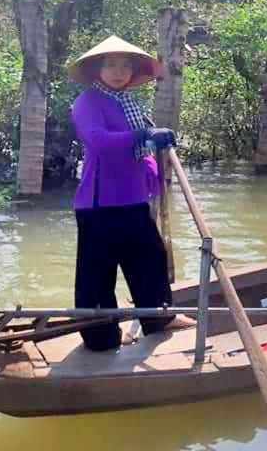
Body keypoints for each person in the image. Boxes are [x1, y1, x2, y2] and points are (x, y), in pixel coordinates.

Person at [69, 35, 193, 351]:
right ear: (97, 68)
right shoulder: (87, 104)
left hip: (134, 200)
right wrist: (143, 134)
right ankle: (100, 338)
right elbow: (100, 142)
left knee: (149, 259)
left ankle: (159, 319)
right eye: (111, 64)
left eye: (125, 65)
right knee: (97, 274)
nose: (118, 72)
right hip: (100, 206)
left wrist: (152, 156)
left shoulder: (129, 102)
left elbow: (140, 149)